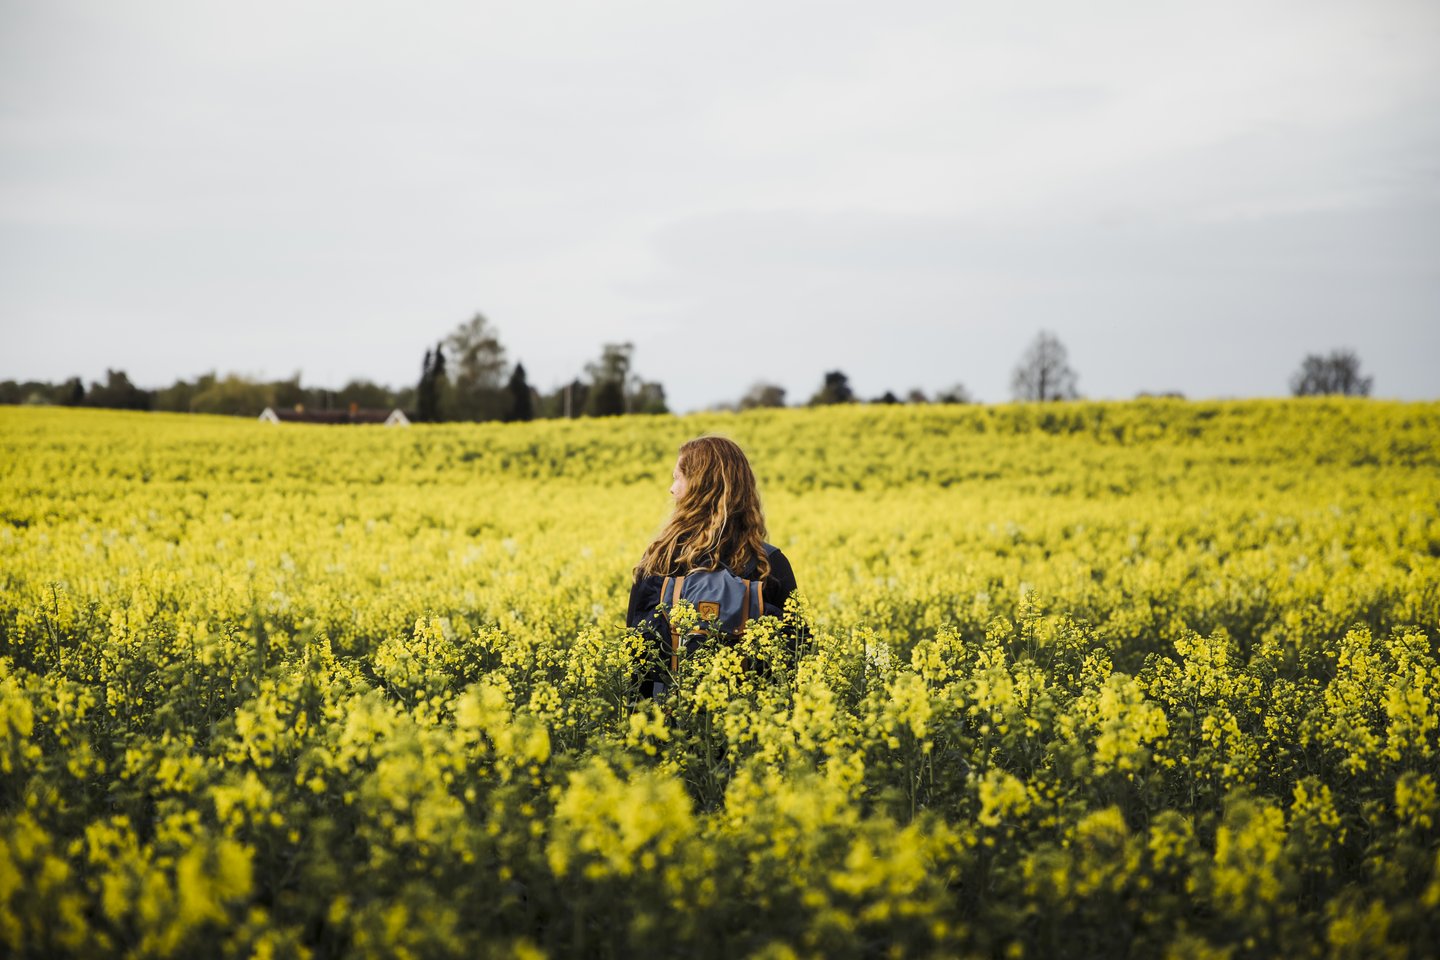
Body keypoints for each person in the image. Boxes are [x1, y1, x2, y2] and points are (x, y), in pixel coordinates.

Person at [626, 436, 801, 696]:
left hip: (670, 720)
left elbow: (636, 654)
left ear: (698, 487)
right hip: (748, 723)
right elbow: (797, 655)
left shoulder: (662, 559)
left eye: (677, 478)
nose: (672, 489)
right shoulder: (769, 563)